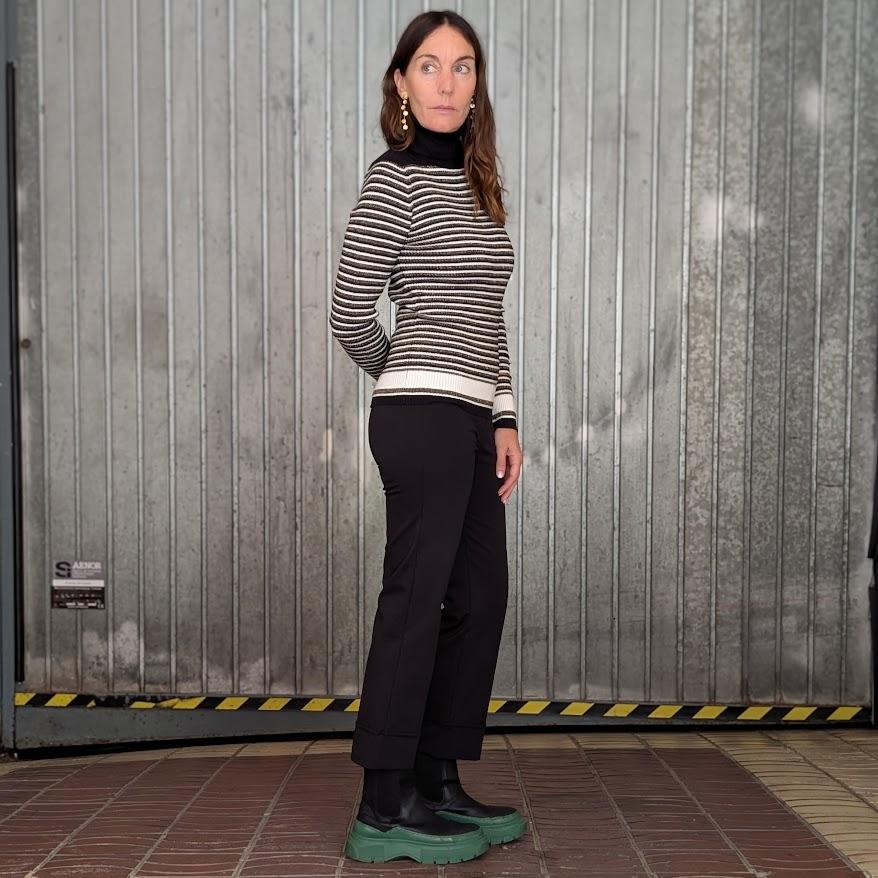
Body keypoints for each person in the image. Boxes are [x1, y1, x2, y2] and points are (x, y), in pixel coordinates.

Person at [329, 9, 524, 865]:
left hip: (474, 420)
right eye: (431, 66)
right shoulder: (394, 180)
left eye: (464, 66)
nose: (448, 82)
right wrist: (407, 376)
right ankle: (383, 802)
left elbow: (487, 317)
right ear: (402, 83)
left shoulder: (479, 189)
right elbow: (349, 314)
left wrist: (503, 411)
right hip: (421, 418)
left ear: (477, 86)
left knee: (479, 597)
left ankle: (436, 779)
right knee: (417, 600)